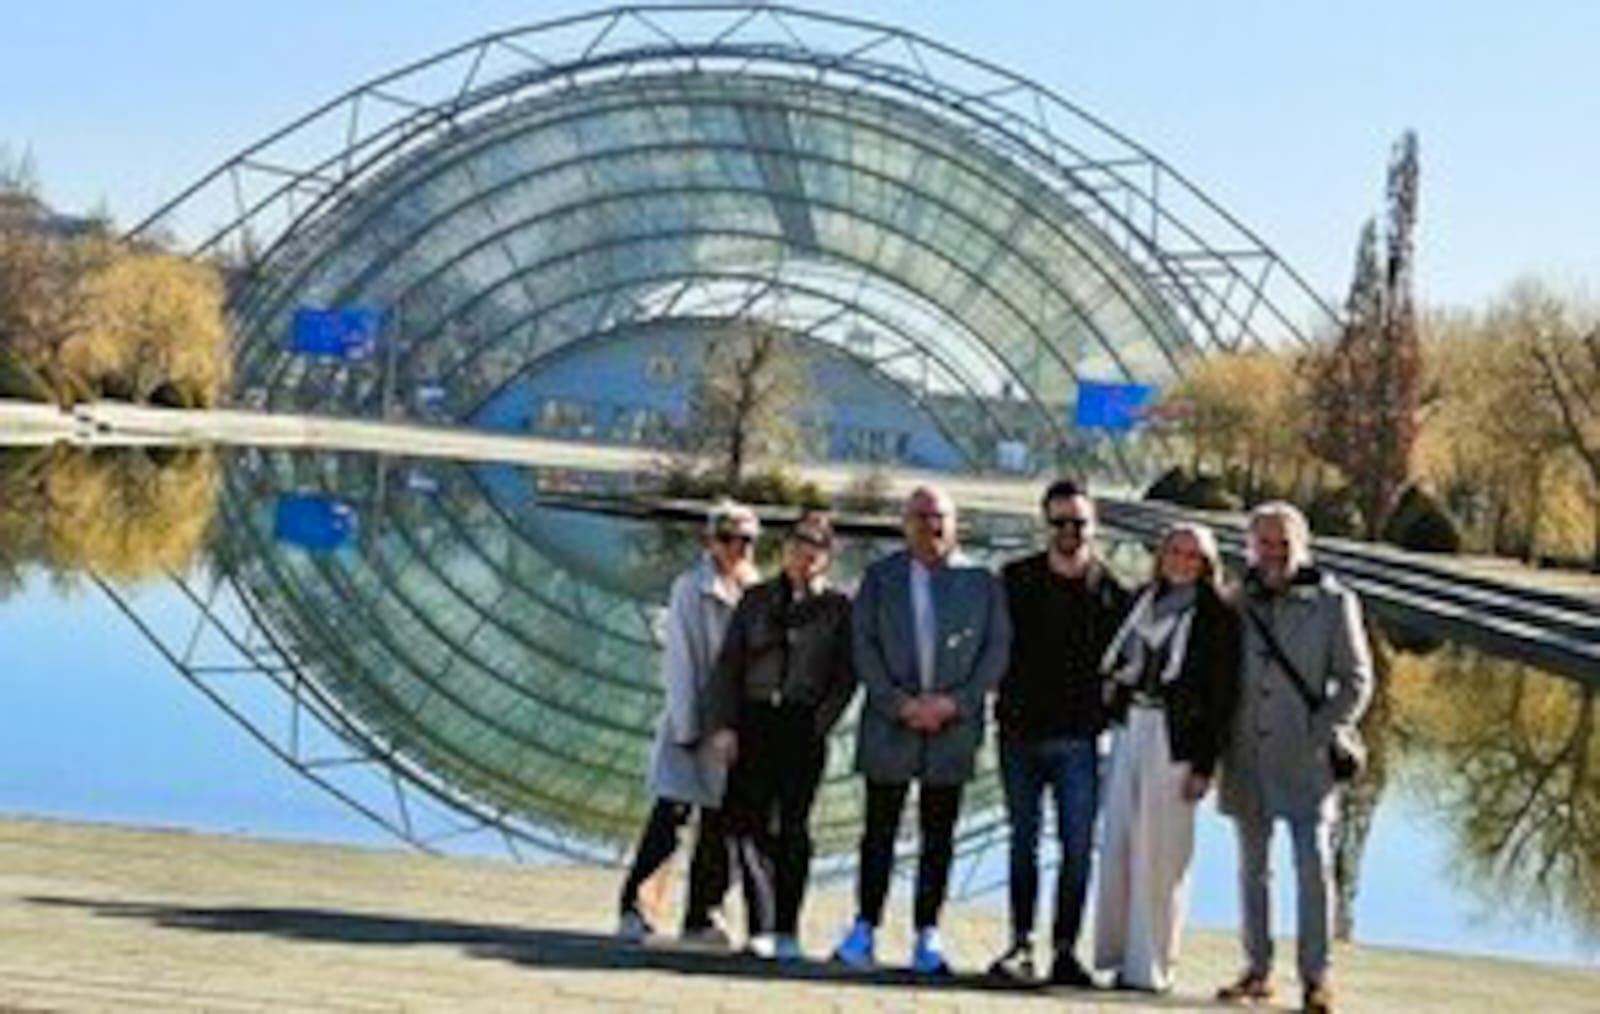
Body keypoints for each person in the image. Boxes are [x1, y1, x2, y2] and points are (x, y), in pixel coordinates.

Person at [831, 485, 1011, 976]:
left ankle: (926, 934)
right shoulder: (879, 577)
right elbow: (862, 646)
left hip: (952, 726)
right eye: (920, 516)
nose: (931, 526)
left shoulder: (981, 580)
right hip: (892, 722)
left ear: (955, 524)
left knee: (939, 835)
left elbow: (997, 650)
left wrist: (956, 703)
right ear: (904, 523)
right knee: (879, 832)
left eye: (939, 517)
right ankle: (864, 927)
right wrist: (899, 703)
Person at [1216, 502, 1373, 1014]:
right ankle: (1257, 970)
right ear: (1251, 546)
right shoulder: (1237, 600)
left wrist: (1317, 731)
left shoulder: (1334, 602)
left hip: (1306, 757)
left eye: (1283, 542)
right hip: (1245, 753)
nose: (1274, 552)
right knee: (1252, 870)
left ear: (1302, 544)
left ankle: (1316, 977)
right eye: (1264, 542)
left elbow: (1357, 681)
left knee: (1314, 868)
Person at [986, 479, 1131, 986]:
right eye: (1060, 522)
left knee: (1076, 846)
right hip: (1019, 734)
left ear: (1094, 527)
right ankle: (1021, 943)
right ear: (1045, 524)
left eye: (1079, 523)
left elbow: (1130, 670)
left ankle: (1066, 949)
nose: (1070, 531)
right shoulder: (1014, 579)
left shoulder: (1114, 593)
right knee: (1021, 841)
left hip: (1079, 738)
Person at [1094, 522, 1240, 993]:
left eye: (1192, 555)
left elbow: (1223, 698)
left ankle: (1152, 964)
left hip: (1176, 742)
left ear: (1207, 563)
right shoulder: (1141, 601)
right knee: (1120, 845)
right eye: (1174, 551)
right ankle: (1117, 956)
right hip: (1130, 729)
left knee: (1163, 854)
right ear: (1161, 556)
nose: (1181, 560)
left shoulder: (1218, 616)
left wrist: (1204, 764)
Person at [704, 511, 857, 961]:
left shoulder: (837, 608)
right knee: (747, 825)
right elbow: (728, 666)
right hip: (754, 719)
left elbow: (845, 677)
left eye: (814, 546)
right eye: (796, 543)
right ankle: (760, 924)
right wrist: (725, 725)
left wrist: (820, 723)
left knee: (792, 829)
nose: (803, 553)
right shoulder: (756, 599)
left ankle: (787, 928)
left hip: (801, 723)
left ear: (827, 557)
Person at [616, 500, 762, 946]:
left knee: (720, 826)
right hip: (694, 723)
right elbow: (680, 661)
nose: (736, 547)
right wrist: (687, 727)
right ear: (709, 540)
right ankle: (636, 907)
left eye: (746, 540)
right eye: (727, 537)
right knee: (670, 817)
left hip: (734, 729)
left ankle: (702, 914)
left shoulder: (757, 589)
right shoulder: (690, 588)